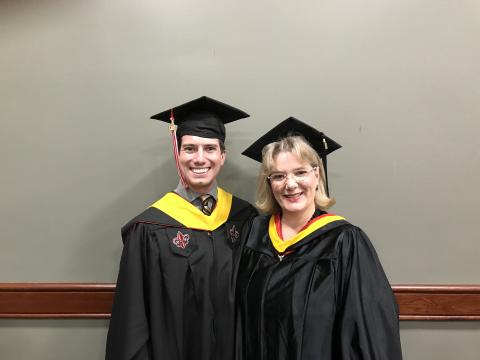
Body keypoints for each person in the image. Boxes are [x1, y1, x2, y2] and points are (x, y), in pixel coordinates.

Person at [106, 96, 258, 360]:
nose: (200, 159)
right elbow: (132, 323)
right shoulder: (148, 229)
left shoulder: (245, 219)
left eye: (210, 149)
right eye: (190, 149)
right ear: (178, 154)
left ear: (223, 156)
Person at [237, 117, 403, 360]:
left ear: (317, 175)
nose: (290, 184)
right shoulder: (254, 234)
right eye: (279, 176)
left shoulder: (344, 242)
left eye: (300, 172)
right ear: (269, 183)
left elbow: (368, 331)